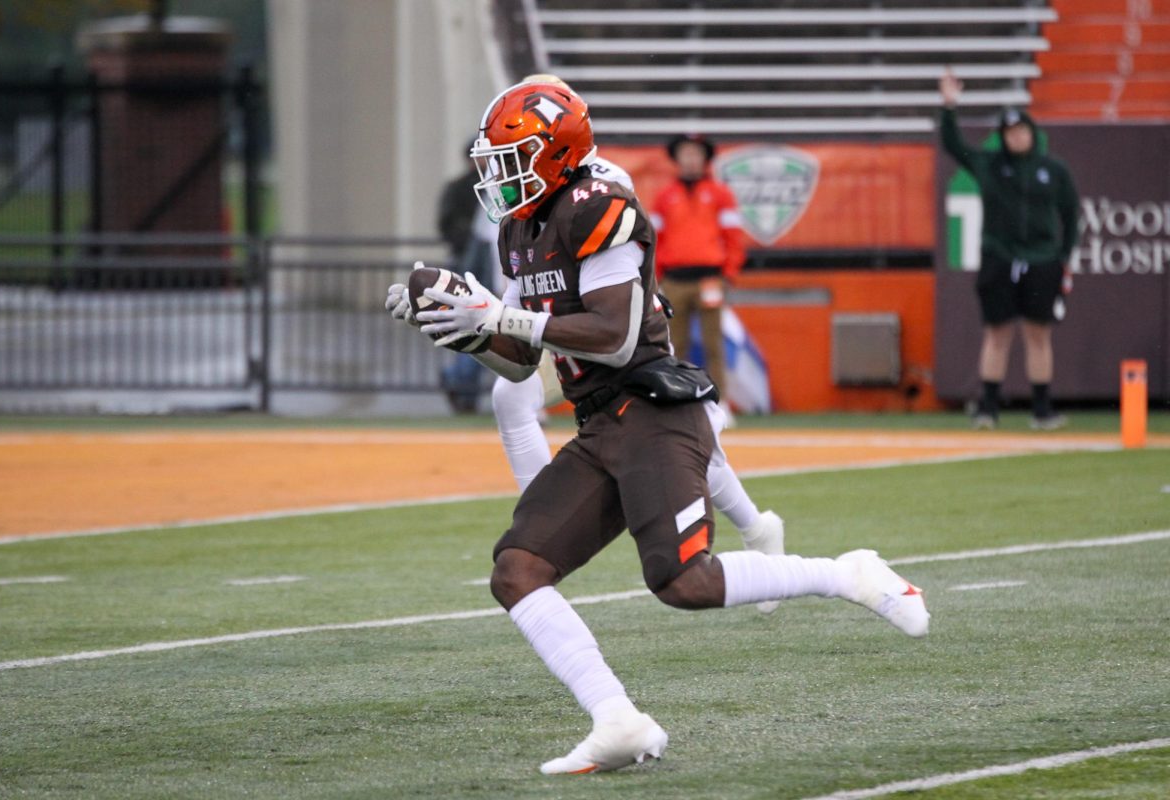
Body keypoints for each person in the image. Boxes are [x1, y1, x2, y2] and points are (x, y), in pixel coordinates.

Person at [385, 80, 930, 775]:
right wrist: (459, 331)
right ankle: (618, 719)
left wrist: (497, 315)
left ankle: (847, 573)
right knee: (517, 571)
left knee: (683, 582)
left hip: (652, 412)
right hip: (598, 425)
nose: (499, 174)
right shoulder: (519, 225)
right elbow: (522, 364)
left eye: (513, 156)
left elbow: (612, 336)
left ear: (555, 154)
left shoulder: (598, 205)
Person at [488, 76, 786, 610]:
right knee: (509, 394)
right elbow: (524, 292)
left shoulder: (599, 189)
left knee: (673, 420)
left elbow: (616, 282)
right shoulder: (526, 213)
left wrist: (508, 318)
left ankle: (754, 523)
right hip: (571, 320)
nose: (504, 173)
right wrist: (470, 321)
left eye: (517, 154)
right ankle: (543, 505)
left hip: (614, 318)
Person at [938, 69, 1080, 431]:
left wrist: (1062, 257)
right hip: (1000, 257)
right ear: (1003, 137)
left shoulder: (1053, 170)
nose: (1017, 137)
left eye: (1022, 131)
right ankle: (987, 407)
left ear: (1032, 133)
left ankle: (1042, 408)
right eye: (1010, 132)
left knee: (1038, 334)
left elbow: (1071, 214)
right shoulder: (990, 165)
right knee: (997, 333)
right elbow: (954, 145)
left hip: (1042, 259)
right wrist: (949, 107)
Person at [651, 134, 746, 425]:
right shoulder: (664, 197)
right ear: (677, 159)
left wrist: (729, 273)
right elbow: (655, 240)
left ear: (705, 159)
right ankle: (677, 401)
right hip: (675, 281)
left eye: (695, 154)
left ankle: (721, 404)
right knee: (673, 345)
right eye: (685, 154)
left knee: (713, 343)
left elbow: (733, 237)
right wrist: (656, 280)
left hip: (709, 279)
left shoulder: (720, 194)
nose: (691, 159)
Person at [437, 145, 495, 413]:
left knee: (481, 329)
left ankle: (460, 382)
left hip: (478, 267)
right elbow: (475, 238)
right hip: (478, 270)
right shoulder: (468, 187)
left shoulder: (488, 184)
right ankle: (460, 381)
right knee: (482, 328)